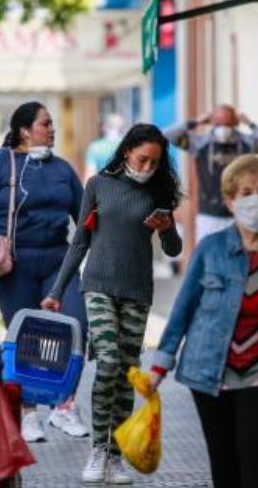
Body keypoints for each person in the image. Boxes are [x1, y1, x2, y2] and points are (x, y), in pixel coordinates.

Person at [148, 156, 258, 488]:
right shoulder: (210, 250)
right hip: (209, 369)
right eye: (245, 192)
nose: (255, 199)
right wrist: (160, 366)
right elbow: (183, 309)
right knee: (224, 459)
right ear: (230, 201)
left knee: (255, 452)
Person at [41, 124, 183, 485]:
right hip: (99, 286)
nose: (148, 167)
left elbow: (174, 250)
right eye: (142, 159)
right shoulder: (98, 185)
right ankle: (98, 450)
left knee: (126, 371)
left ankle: (116, 455)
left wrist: (166, 227)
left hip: (137, 290)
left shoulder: (158, 193)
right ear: (126, 152)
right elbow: (80, 243)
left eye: (154, 162)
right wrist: (57, 290)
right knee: (108, 361)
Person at [0, 101, 90, 443]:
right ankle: (28, 412)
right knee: (26, 339)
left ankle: (64, 406)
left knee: (76, 328)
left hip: (58, 263)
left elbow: (87, 219)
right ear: (24, 131)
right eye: (46, 124)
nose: (52, 129)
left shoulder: (62, 169)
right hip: (13, 266)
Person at [165, 105, 258, 242]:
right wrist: (195, 122)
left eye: (228, 124)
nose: (223, 128)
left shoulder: (246, 143)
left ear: (235, 123)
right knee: (209, 256)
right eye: (219, 123)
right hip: (209, 215)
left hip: (240, 213)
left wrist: (250, 124)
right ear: (212, 123)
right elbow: (168, 136)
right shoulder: (201, 143)